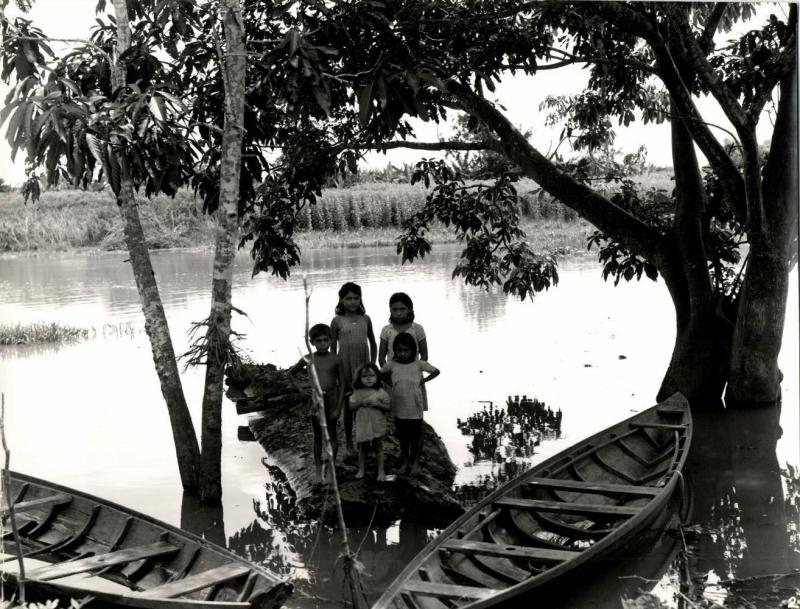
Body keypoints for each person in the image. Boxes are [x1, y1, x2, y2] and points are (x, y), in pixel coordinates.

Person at [289, 323, 345, 483]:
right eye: (318, 341)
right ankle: (318, 471)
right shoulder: (308, 358)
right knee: (318, 436)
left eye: (325, 340)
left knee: (332, 434)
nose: (322, 344)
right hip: (316, 400)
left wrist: (339, 407)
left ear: (331, 340)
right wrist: (301, 389)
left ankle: (330, 471)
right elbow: (291, 374)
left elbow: (343, 385)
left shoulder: (336, 359)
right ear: (312, 342)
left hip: (333, 398)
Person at [381, 332, 440, 476]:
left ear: (412, 350)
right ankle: (405, 460)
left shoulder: (418, 364)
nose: (403, 354)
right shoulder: (392, 364)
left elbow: (436, 371)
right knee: (403, 436)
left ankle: (416, 462)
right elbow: (380, 373)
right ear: (395, 351)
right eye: (400, 350)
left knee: (416, 436)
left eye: (406, 350)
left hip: (415, 406)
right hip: (399, 406)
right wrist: (391, 383)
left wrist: (423, 381)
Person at [330, 282, 377, 454]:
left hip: (363, 368)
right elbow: (332, 348)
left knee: (365, 404)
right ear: (341, 300)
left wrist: (372, 364)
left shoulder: (366, 319)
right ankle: (349, 442)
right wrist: (335, 370)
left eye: (356, 298)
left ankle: (364, 439)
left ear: (360, 299)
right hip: (345, 367)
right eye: (348, 298)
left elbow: (372, 342)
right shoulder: (337, 321)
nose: (352, 302)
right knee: (349, 406)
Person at [349, 363, 391, 481]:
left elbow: (388, 407)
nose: (368, 378)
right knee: (363, 447)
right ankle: (361, 469)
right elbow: (351, 407)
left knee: (378, 447)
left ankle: (381, 471)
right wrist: (360, 403)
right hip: (363, 424)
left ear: (377, 377)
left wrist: (379, 404)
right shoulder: (357, 392)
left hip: (377, 423)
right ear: (359, 378)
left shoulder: (380, 391)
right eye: (364, 376)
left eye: (372, 375)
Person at [378, 292, 428, 366]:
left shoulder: (417, 329)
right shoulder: (386, 330)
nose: (398, 313)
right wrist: (387, 372)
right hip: (393, 375)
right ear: (390, 310)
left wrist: (416, 369)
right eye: (395, 310)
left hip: (414, 375)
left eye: (402, 309)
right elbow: (381, 358)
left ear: (409, 309)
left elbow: (424, 355)